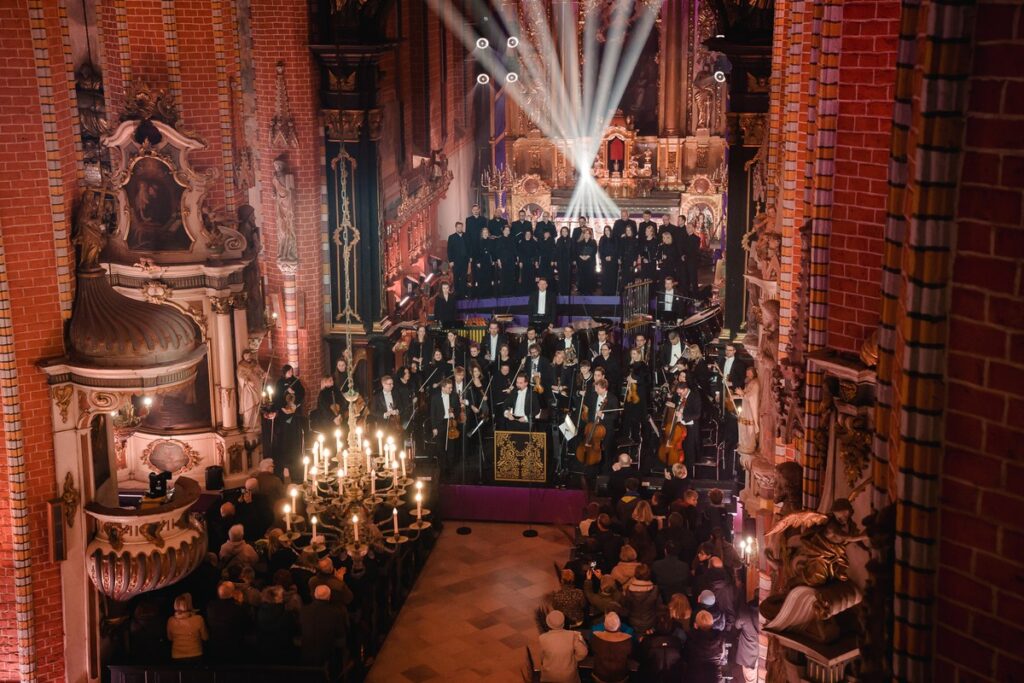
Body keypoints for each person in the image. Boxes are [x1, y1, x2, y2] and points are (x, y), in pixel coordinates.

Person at [299, 584, 347, 667]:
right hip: (328, 654)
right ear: (329, 597)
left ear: (314, 595)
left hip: (306, 653)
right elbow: (340, 635)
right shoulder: (336, 613)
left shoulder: (303, 610)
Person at [537, 610, 588, 683]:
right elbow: (583, 653)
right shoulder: (572, 635)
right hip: (569, 677)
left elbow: (542, 657)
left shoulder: (542, 638)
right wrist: (573, 659)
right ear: (563, 623)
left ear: (548, 623)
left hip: (549, 676)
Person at [206, 581, 250, 663]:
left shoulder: (211, 607)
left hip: (216, 646)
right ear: (232, 593)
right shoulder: (238, 608)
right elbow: (247, 625)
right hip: (235, 647)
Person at [639, 613, 685, 683]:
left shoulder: (647, 641)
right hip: (672, 678)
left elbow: (640, 659)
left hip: (652, 677)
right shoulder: (677, 642)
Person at [256, 585, 296, 663]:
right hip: (283, 652)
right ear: (276, 598)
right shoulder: (286, 614)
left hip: (263, 651)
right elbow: (292, 630)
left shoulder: (260, 612)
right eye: (282, 595)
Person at [590, 612, 633, 683]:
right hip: (620, 676)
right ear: (619, 625)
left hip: (600, 675)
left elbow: (592, 649)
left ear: (604, 625)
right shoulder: (627, 640)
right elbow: (631, 654)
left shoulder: (595, 637)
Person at [685, 610, 726, 683]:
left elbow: (687, 657)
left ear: (696, 624)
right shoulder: (719, 636)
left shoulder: (691, 636)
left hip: (696, 675)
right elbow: (722, 657)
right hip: (714, 675)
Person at [166, 593, 207, 662]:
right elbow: (205, 637)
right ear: (189, 604)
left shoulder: (171, 620)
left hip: (177, 656)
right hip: (196, 654)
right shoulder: (198, 619)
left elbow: (170, 638)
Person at [622, 563, 660, 634]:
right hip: (650, 623)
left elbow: (627, 607)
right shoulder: (655, 589)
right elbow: (658, 607)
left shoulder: (628, 590)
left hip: (633, 623)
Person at [734, 600, 762, 683]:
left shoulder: (744, 612)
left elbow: (737, 625)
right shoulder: (766, 614)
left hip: (748, 651)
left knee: (750, 679)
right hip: (763, 651)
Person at [447, 221, 470, 297]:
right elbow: (449, 250)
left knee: (464, 277)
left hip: (464, 260)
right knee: (456, 277)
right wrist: (451, 261)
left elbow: (469, 248)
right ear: (456, 227)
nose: (460, 228)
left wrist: (470, 257)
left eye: (461, 227)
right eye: (458, 227)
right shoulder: (451, 237)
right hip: (456, 261)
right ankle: (457, 293)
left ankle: (464, 293)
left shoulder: (466, 236)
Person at [494, 223, 517, 296]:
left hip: (511, 261)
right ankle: (503, 293)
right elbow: (497, 251)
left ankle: (511, 292)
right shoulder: (500, 239)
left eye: (508, 230)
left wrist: (516, 259)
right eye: (506, 230)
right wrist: (498, 260)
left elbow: (514, 250)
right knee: (503, 277)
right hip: (503, 261)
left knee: (511, 277)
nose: (507, 231)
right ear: (503, 231)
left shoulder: (512, 239)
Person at [473, 226, 496, 297]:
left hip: (488, 261)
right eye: (484, 232)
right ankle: (482, 294)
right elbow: (476, 252)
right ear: (482, 233)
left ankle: (488, 294)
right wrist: (478, 262)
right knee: (482, 277)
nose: (485, 233)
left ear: (488, 233)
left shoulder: (491, 241)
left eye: (486, 232)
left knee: (489, 277)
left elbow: (493, 252)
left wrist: (493, 260)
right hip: (481, 262)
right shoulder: (478, 242)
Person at [575, 227, 598, 295]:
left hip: (590, 262)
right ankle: (582, 290)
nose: (587, 234)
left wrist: (587, 256)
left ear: (590, 234)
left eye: (588, 233)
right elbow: (577, 251)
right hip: (581, 262)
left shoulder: (593, 242)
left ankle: (589, 290)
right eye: (585, 233)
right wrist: (581, 256)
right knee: (582, 276)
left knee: (590, 276)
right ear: (583, 234)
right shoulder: (579, 242)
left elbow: (594, 250)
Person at [682, 221, 702, 295]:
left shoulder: (697, 239)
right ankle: (686, 295)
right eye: (687, 227)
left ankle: (695, 295)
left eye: (689, 227)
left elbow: (694, 250)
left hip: (692, 262)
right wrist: (682, 255)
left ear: (693, 229)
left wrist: (685, 255)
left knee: (693, 279)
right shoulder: (684, 237)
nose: (687, 229)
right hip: (684, 262)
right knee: (685, 279)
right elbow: (682, 248)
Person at [517, 228, 540, 293]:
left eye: (529, 234)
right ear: (525, 235)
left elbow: (536, 253)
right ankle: (524, 291)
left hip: (531, 262)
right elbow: (520, 253)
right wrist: (520, 261)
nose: (528, 235)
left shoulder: (534, 242)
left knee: (532, 276)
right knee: (524, 277)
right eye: (527, 234)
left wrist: (536, 261)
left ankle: (531, 291)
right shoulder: (521, 242)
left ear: (531, 235)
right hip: (524, 262)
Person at [598, 225, 619, 294]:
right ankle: (605, 291)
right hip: (605, 261)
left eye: (608, 230)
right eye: (605, 230)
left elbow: (616, 249)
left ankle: (612, 291)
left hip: (613, 261)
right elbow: (600, 249)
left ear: (610, 230)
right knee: (605, 276)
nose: (606, 231)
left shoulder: (615, 238)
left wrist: (611, 257)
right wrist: (605, 257)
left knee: (612, 276)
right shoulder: (602, 238)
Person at [555, 226, 574, 295]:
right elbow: (556, 251)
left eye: (565, 231)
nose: (564, 232)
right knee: (561, 277)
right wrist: (556, 261)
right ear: (561, 232)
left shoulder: (571, 240)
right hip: (560, 261)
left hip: (568, 262)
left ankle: (567, 291)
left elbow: (573, 251)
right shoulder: (559, 240)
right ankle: (561, 291)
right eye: (563, 231)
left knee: (568, 277)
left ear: (568, 232)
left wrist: (573, 260)